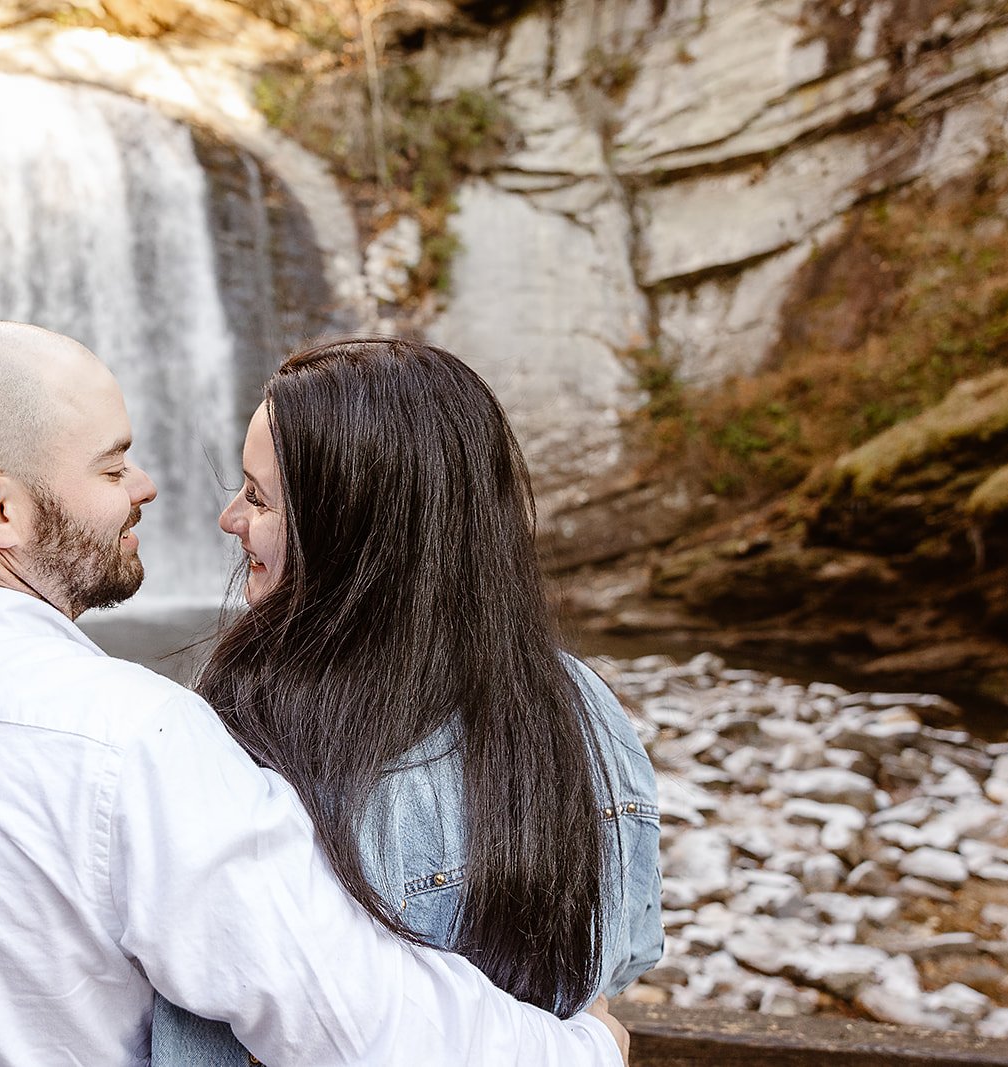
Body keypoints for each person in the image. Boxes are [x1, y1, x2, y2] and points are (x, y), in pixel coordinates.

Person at [0, 321, 630, 1066]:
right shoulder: (129, 737)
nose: (148, 488)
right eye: (113, 468)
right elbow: (352, 1018)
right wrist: (585, 1049)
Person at [152, 337, 662, 1064]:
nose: (230, 517)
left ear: (350, 528)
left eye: (258, 496)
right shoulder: (583, 704)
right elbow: (611, 973)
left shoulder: (260, 744)